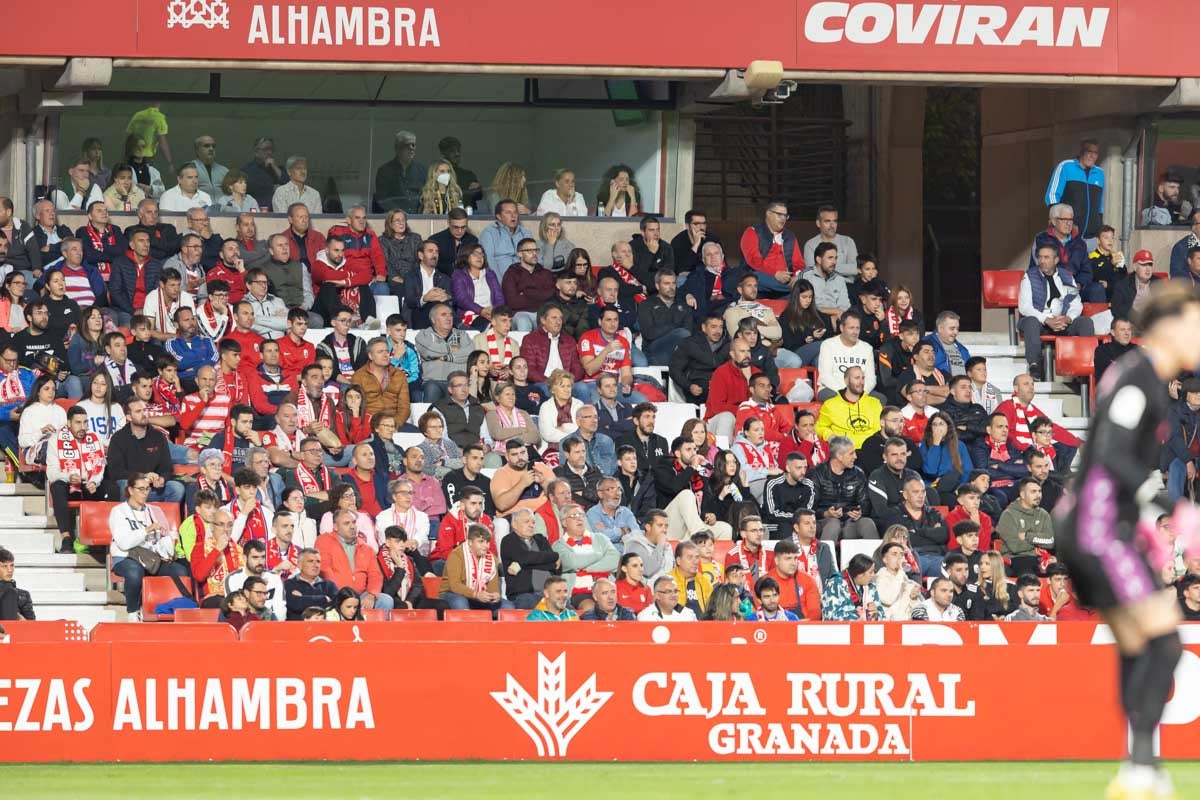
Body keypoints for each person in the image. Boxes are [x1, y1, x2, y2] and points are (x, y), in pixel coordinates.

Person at [108, 473, 190, 621]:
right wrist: (145, 531)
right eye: (141, 489)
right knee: (134, 572)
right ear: (131, 490)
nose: (145, 493)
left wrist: (167, 545)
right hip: (126, 557)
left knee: (181, 570)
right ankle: (132, 612)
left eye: (147, 489)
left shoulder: (155, 511)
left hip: (151, 558)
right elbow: (123, 543)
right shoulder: (118, 511)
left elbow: (164, 539)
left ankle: (177, 610)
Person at [47, 405, 116, 552]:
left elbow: (101, 464)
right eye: (78, 422)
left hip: (89, 483)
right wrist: (68, 476)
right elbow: (51, 472)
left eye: (85, 422)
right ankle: (66, 538)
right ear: (69, 423)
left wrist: (94, 481)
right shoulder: (55, 439)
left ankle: (106, 536)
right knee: (57, 486)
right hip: (68, 483)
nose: (83, 427)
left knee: (112, 488)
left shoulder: (94, 437)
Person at [995, 372, 1081, 466]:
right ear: (1016, 388)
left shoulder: (1032, 409)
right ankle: (1058, 475)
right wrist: (1025, 447)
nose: (1031, 387)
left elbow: (1053, 428)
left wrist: (1078, 442)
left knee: (1068, 446)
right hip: (1018, 451)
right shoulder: (1007, 406)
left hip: (1033, 449)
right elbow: (1003, 433)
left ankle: (1060, 474)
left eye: (1032, 384)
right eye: (1026, 384)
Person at [315, 508, 392, 612]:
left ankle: (372, 628)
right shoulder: (324, 541)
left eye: (354, 522)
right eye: (346, 523)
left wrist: (372, 594)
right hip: (335, 594)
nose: (352, 526)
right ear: (336, 527)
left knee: (385, 601)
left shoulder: (366, 548)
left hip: (360, 596)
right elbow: (325, 570)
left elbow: (375, 574)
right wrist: (342, 594)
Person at [809, 435, 876, 543]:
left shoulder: (858, 474)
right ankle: (823, 558)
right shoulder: (817, 474)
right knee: (833, 523)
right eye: (851, 453)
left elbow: (865, 502)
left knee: (867, 523)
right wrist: (826, 513)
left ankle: (875, 559)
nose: (855, 456)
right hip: (823, 522)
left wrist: (860, 512)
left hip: (850, 522)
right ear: (839, 456)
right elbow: (809, 507)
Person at [439, 524, 510, 614]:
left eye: (487, 542)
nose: (486, 546)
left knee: (508, 607)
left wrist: (494, 595)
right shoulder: (456, 555)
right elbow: (455, 585)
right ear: (470, 542)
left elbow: (493, 587)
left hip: (478, 597)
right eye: (481, 541)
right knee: (460, 602)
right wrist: (475, 594)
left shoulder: (492, 559)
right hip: (452, 594)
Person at [739, 200, 804, 297]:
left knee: (803, 279)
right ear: (768, 214)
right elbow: (754, 260)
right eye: (779, 215)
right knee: (757, 278)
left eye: (785, 216)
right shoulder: (752, 232)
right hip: (761, 276)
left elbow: (798, 262)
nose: (783, 219)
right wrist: (775, 274)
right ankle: (797, 287)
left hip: (786, 279)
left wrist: (797, 276)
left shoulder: (790, 236)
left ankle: (796, 287)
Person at [1045, 138, 1105, 239]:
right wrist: (1065, 223)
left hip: (1092, 238)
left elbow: (1100, 206)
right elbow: (1051, 196)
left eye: (1095, 153)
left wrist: (1099, 229)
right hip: (1068, 236)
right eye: (1089, 151)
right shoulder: (1066, 166)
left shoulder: (1100, 173)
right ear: (1081, 152)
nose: (1093, 156)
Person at [996, 477, 1055, 577]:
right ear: (1022, 495)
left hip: (1040, 557)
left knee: (1061, 571)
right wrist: (1037, 547)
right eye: (1033, 492)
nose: (1038, 495)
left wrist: (1028, 536)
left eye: (1039, 491)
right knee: (1028, 571)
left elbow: (1049, 542)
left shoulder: (1044, 514)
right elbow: (1014, 547)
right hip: (1015, 558)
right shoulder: (1009, 515)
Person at [669, 311, 729, 405]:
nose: (718, 331)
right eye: (713, 327)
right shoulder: (689, 343)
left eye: (721, 327)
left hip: (721, 384)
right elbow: (675, 369)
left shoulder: (728, 344)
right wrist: (689, 386)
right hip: (698, 386)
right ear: (704, 328)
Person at [814, 365, 882, 448]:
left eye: (863, 378)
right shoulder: (830, 405)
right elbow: (819, 427)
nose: (861, 382)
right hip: (843, 451)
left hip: (869, 449)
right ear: (846, 381)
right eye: (857, 378)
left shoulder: (874, 403)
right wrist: (830, 436)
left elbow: (878, 429)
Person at [817, 311, 878, 401]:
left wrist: (861, 392)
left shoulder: (867, 348)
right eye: (851, 328)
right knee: (834, 399)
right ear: (842, 328)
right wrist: (846, 392)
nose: (855, 332)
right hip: (833, 389)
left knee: (880, 399)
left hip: (859, 390)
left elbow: (871, 378)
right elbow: (825, 376)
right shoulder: (828, 345)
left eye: (857, 328)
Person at [479, 200, 533, 283]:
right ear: (499, 216)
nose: (513, 216)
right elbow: (489, 262)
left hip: (524, 280)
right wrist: (502, 283)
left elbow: (533, 257)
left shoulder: (525, 233)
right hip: (501, 281)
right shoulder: (489, 234)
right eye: (508, 213)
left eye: (515, 212)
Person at [373, 130, 424, 214]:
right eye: (407, 145)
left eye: (413, 145)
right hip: (393, 218)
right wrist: (399, 213)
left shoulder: (422, 170)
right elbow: (382, 198)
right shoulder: (384, 171)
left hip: (418, 218)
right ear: (397, 148)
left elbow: (426, 196)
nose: (411, 148)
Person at [802, 205, 858, 279]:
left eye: (834, 221)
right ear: (818, 223)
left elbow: (854, 269)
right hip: (820, 287)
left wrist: (825, 265)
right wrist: (844, 269)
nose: (832, 225)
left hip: (847, 285)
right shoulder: (810, 245)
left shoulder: (848, 241)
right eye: (827, 221)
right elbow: (812, 272)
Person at [821, 553, 879, 621]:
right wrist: (862, 616)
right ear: (860, 573)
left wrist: (875, 613)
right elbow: (831, 615)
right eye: (870, 572)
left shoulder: (871, 586)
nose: (873, 575)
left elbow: (881, 614)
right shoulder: (836, 584)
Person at [873, 541, 922, 620]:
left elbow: (918, 612)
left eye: (902, 554)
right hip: (888, 626)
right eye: (894, 554)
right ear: (885, 559)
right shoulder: (878, 578)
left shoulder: (908, 582)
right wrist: (901, 571)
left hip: (907, 626)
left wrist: (913, 599)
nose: (899, 557)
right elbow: (887, 599)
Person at [0, 547, 34, 621]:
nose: (10, 570)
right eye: (4, 566)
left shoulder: (23, 595)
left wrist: (19, 617)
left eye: (12, 565)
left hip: (16, 630)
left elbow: (32, 625)